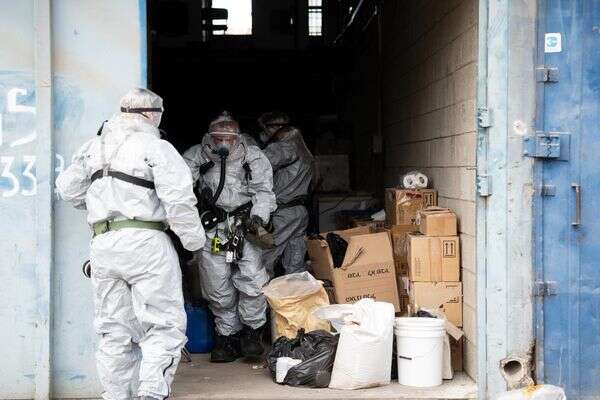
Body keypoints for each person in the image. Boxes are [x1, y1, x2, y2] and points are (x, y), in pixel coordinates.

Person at [55, 88, 205, 400]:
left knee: (113, 329)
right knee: (163, 324)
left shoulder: (93, 147)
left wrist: (103, 203)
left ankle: (115, 394)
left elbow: (67, 189)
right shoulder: (157, 147)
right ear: (151, 114)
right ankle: (151, 391)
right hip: (147, 244)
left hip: (103, 245)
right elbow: (178, 201)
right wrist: (193, 243)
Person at [183, 112, 276, 363]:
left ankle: (252, 333)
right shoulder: (197, 155)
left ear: (237, 138)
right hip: (213, 227)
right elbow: (179, 188)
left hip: (244, 226)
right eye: (219, 138)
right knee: (216, 284)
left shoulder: (252, 156)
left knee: (253, 281)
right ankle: (227, 336)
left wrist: (258, 218)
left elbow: (264, 191)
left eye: (229, 138)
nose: (224, 143)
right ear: (210, 138)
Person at [260, 113, 314, 277]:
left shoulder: (282, 147)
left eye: (266, 128)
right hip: (299, 211)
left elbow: (256, 166)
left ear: (276, 128)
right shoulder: (300, 145)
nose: (264, 133)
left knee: (262, 259)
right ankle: (296, 292)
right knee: (295, 263)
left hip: (283, 213)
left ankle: (260, 294)